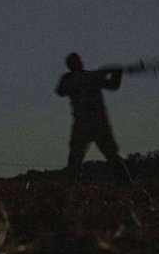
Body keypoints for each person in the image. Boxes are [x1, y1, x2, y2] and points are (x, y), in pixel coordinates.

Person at [55, 52, 132, 186]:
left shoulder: (91, 76)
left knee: (111, 156)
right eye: (76, 61)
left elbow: (113, 85)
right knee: (75, 159)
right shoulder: (76, 78)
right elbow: (61, 91)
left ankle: (126, 186)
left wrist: (117, 73)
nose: (79, 63)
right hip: (87, 124)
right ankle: (69, 188)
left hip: (95, 124)